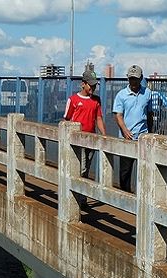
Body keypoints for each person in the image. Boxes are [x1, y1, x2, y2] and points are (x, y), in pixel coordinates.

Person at [64, 70, 106, 208]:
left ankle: (81, 197)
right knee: (81, 168)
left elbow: (98, 118)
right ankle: (78, 198)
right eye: (90, 86)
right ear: (83, 84)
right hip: (77, 140)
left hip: (91, 139)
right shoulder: (73, 99)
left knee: (86, 169)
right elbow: (67, 119)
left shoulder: (96, 100)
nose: (92, 89)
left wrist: (104, 135)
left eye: (94, 86)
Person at [113, 64, 153, 192]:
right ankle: (125, 194)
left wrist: (150, 133)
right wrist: (125, 130)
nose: (133, 81)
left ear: (141, 78)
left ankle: (143, 195)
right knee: (125, 170)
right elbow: (118, 115)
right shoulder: (121, 95)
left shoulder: (147, 93)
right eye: (131, 78)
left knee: (145, 168)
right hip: (127, 138)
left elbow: (149, 113)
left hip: (143, 137)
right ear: (127, 79)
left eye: (135, 78)